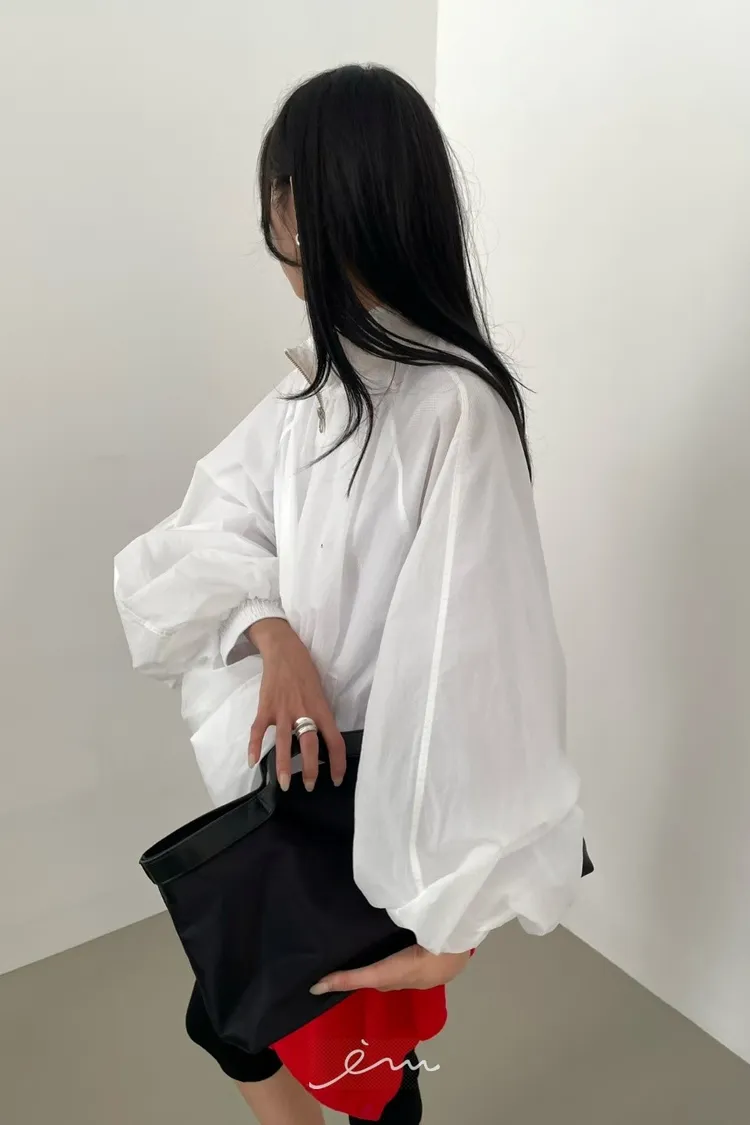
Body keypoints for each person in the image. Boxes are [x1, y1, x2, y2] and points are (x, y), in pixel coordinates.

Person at [114, 64, 584, 1125]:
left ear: (339, 200)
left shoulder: (452, 408)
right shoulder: (310, 393)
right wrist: (269, 629)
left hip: (389, 812)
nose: (275, 228)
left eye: (285, 198)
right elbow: (198, 537)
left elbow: (485, 664)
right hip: (305, 790)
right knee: (251, 1026)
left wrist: (458, 919)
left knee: (360, 1070)